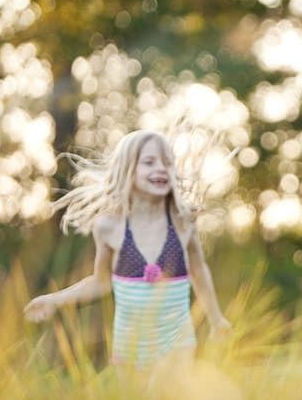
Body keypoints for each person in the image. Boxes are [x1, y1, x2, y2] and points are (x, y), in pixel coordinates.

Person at [23, 129, 232, 374]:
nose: (161, 168)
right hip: (129, 348)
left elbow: (198, 269)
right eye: (149, 162)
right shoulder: (109, 226)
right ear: (127, 170)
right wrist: (55, 299)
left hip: (177, 342)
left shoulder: (182, 221)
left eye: (167, 163)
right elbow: (101, 282)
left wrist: (216, 318)